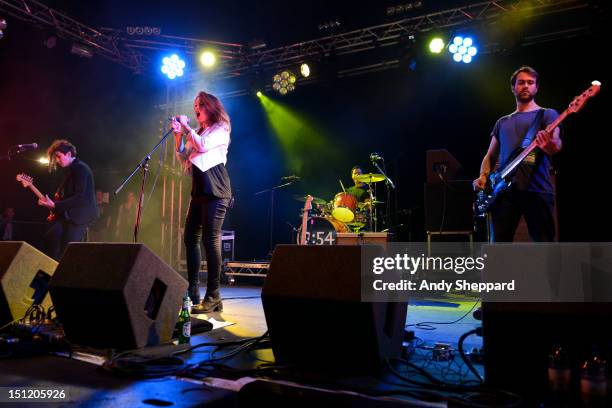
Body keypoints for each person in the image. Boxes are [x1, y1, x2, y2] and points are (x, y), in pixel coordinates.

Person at [473, 66, 561, 242]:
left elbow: (556, 146)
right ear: (513, 88)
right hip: (504, 192)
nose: (526, 86)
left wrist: (548, 144)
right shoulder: (502, 122)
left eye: (530, 82)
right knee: (498, 245)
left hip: (537, 189)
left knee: (545, 246)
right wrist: (483, 175)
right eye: (521, 82)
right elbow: (490, 155)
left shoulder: (547, 115)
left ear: (537, 87)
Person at [172, 91, 232, 314]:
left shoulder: (221, 129)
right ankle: (193, 291)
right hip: (199, 190)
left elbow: (204, 146)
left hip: (216, 188)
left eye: (200, 105)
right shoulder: (197, 131)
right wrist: (179, 135)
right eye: (195, 105)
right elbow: (182, 157)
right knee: (190, 238)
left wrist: (187, 129)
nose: (196, 108)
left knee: (210, 238)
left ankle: (214, 294)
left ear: (210, 107)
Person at [38, 140, 99, 260]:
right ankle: (49, 269)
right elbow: (68, 197)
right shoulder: (71, 170)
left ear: (69, 154)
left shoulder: (80, 169)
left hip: (81, 216)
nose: (57, 160)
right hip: (69, 215)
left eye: (59, 156)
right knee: (50, 238)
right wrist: (52, 205)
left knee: (67, 249)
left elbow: (80, 198)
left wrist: (55, 205)